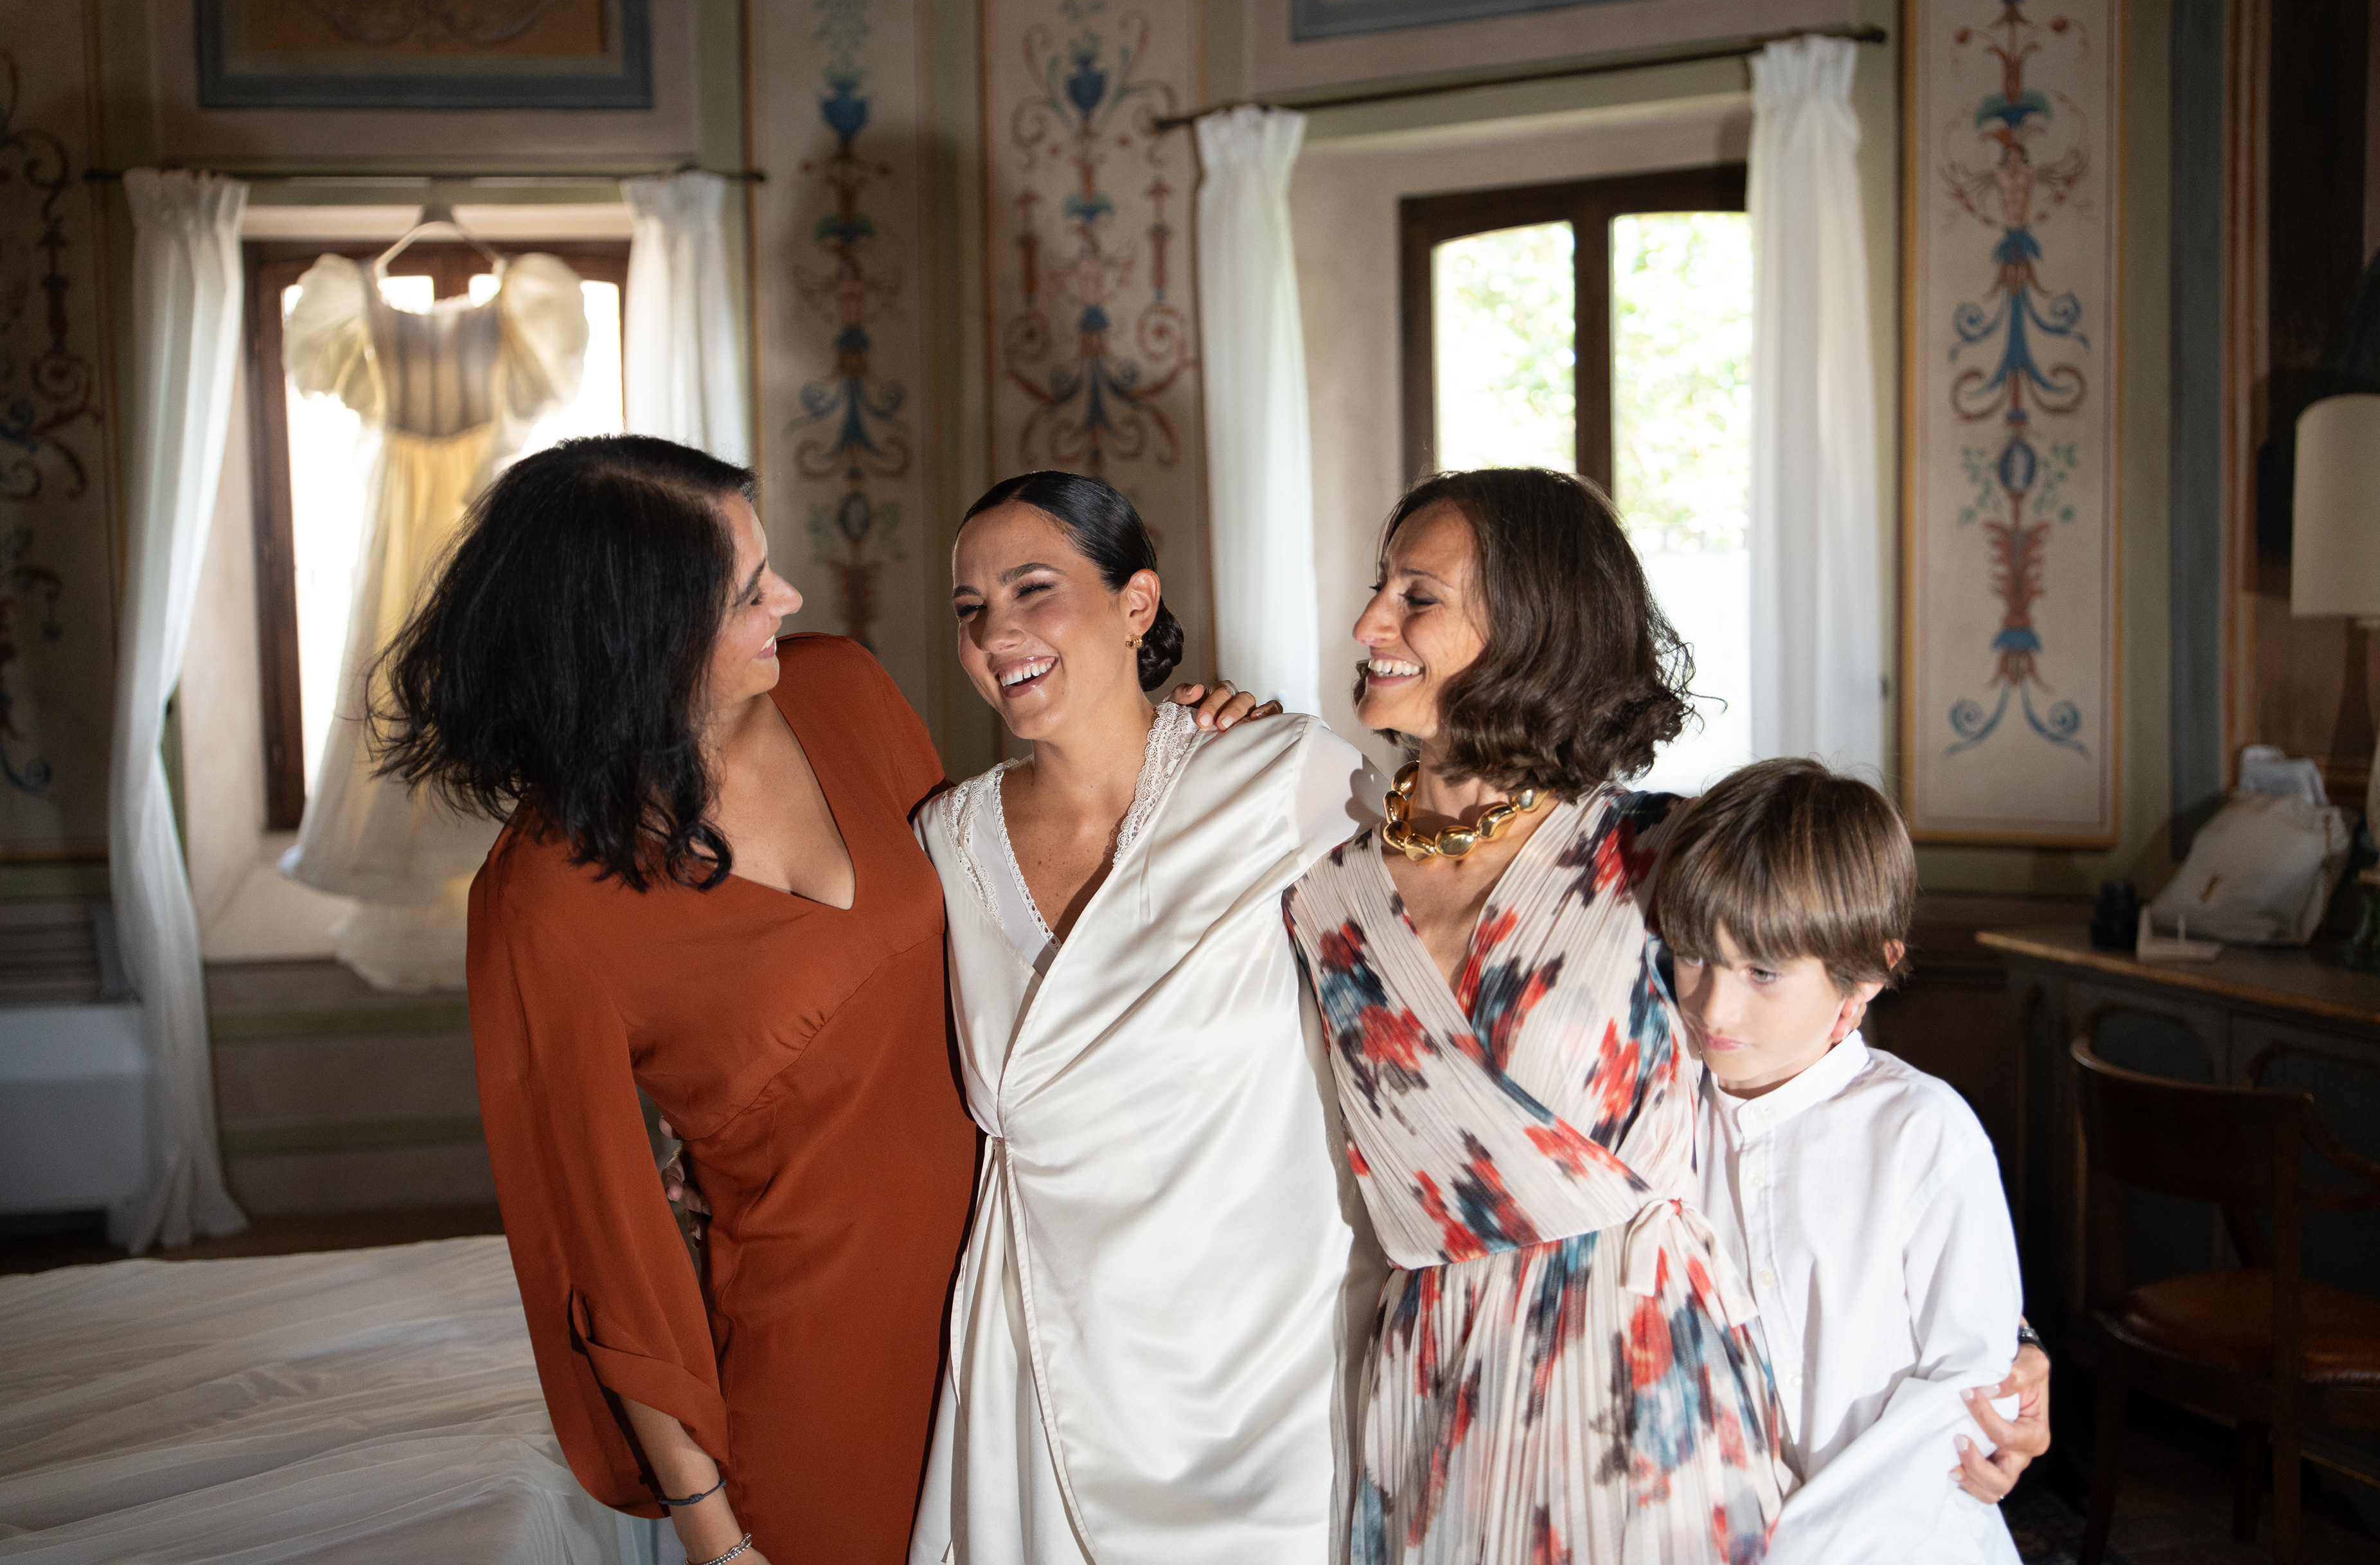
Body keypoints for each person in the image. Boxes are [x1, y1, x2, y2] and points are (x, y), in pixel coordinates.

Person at [372, 436, 1260, 1565]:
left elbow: (1019, 912)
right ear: (636, 630)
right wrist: (713, 1532)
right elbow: (600, 1242)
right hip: (822, 1360)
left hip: (1036, 1301)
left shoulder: (842, 688)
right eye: (747, 592)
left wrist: (1194, 758)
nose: (788, 599)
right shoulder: (539, 902)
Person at [1282, 467, 1788, 1563]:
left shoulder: (1662, 858)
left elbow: (1820, 1115)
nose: (1369, 624)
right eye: (1379, 588)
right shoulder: (1321, 893)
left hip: (1642, 1388)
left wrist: (1991, 1334)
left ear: (1531, 629)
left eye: (1417, 597)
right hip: (1435, 1391)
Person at [908, 471, 1387, 1565]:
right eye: (971, 608)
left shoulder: (1283, 778)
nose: (996, 633)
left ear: (1137, 604)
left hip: (1276, 1376)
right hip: (1045, 1357)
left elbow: (1417, 1006)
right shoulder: (945, 842)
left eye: (1033, 589)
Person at [1660, 759, 2038, 1564]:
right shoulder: (1662, 1116)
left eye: (1763, 971)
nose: (1714, 1006)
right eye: (1692, 955)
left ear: (1865, 974)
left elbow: (1968, 1393)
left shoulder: (1923, 1132)